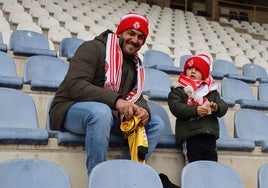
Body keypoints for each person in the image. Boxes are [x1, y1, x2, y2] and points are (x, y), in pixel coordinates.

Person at [49, 12, 164, 176]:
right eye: (131, 33)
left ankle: (126, 174)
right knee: (100, 112)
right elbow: (74, 85)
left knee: (155, 123)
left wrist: (144, 110)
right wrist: (117, 101)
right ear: (120, 32)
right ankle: (98, 179)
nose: (135, 40)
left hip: (109, 115)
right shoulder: (92, 48)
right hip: (69, 110)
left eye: (140, 37)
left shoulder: (133, 63)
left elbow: (136, 94)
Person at [168, 54, 228, 164]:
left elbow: (223, 106)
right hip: (191, 136)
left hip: (209, 136)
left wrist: (216, 108)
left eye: (197, 70)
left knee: (212, 166)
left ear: (204, 73)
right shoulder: (179, 90)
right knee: (193, 166)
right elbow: (176, 107)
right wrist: (195, 110)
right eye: (190, 68)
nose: (193, 71)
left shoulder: (211, 91)